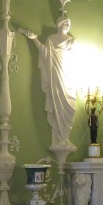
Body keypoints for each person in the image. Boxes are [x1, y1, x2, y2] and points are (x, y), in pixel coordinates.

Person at [20, 17, 77, 149]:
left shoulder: (72, 41)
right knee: (57, 101)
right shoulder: (51, 39)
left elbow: (76, 59)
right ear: (59, 24)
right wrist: (34, 39)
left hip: (69, 75)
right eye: (65, 23)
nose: (67, 25)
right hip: (56, 75)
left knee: (71, 105)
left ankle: (65, 137)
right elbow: (45, 54)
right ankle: (60, 138)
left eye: (69, 23)